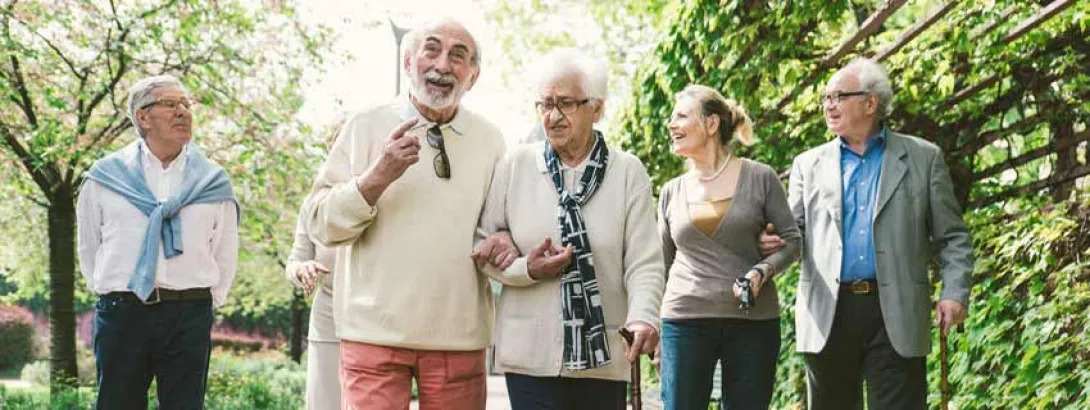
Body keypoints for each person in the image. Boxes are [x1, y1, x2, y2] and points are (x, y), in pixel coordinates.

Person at [304, 18, 507, 410]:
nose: (443, 65)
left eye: (457, 56)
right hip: (372, 336)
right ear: (409, 62)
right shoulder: (365, 125)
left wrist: (503, 240)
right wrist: (376, 177)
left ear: (474, 76)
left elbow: (499, 228)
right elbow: (319, 223)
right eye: (431, 50)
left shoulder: (491, 140)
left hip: (458, 338)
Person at [775, 58, 973, 409]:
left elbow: (952, 236)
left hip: (895, 310)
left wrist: (955, 291)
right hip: (828, 312)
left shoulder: (924, 158)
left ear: (871, 103)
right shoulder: (808, 164)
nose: (828, 105)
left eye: (838, 96)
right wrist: (773, 244)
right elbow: (794, 235)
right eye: (825, 98)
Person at [473, 48, 664, 410]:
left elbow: (644, 261)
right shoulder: (516, 165)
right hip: (529, 355)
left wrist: (643, 317)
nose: (552, 117)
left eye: (565, 104)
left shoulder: (627, 172)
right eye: (544, 104)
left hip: (603, 356)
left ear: (597, 107)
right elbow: (482, 248)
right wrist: (526, 269)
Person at [77, 74, 240, 409]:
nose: (182, 111)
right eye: (170, 104)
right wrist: (113, 290)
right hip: (123, 312)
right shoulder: (105, 178)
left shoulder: (212, 181)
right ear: (143, 117)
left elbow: (225, 250)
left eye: (186, 104)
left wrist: (208, 301)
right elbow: (89, 245)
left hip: (189, 313)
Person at [655, 85, 801, 410]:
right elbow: (660, 265)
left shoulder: (760, 178)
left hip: (752, 322)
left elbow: (792, 242)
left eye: (681, 116)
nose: (671, 124)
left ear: (711, 124)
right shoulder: (671, 191)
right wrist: (654, 329)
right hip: (684, 318)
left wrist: (763, 270)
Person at [284, 118, 346, 410]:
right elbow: (295, 259)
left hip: (377, 322)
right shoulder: (314, 203)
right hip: (328, 318)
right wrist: (301, 269)